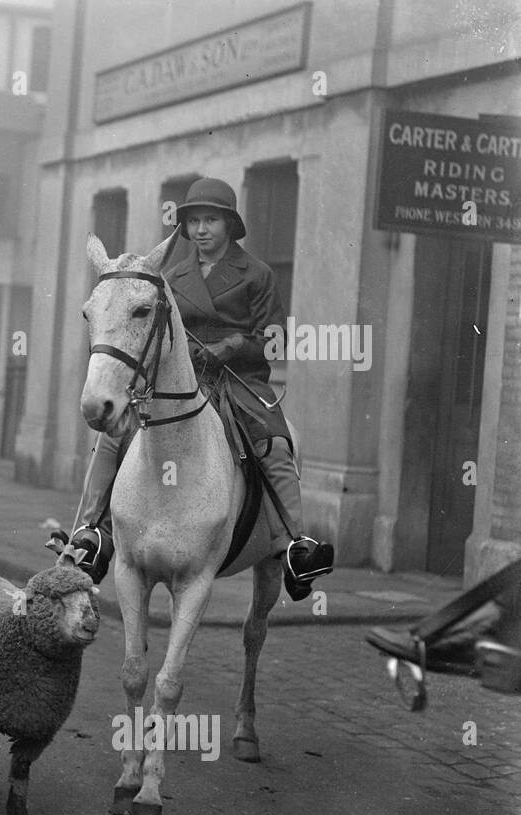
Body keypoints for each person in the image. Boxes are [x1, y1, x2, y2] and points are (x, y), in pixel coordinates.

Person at [66, 177, 334, 600]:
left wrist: (232, 345)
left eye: (211, 220)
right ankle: (92, 534)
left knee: (274, 445)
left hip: (240, 379)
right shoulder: (170, 275)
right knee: (114, 437)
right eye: (193, 222)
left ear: (229, 224)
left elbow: (274, 338)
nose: (201, 230)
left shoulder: (257, 274)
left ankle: (294, 544)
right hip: (184, 378)